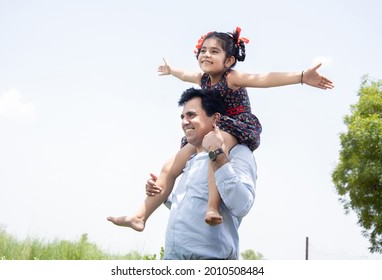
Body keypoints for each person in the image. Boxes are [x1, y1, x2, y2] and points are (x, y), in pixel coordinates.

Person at [107, 27, 334, 230]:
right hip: (214, 125)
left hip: (237, 126)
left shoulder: (232, 77)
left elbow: (264, 79)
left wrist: (302, 76)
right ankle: (140, 216)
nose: (206, 54)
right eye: (203, 50)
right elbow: (184, 74)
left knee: (216, 143)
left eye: (214, 51)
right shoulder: (202, 78)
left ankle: (212, 207)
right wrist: (171, 70)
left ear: (228, 61)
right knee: (172, 164)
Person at [156, 87, 257, 259]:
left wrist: (217, 155)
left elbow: (242, 205)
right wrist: (163, 195)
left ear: (215, 119)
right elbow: (193, 204)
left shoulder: (238, 153)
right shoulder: (190, 157)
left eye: (191, 115)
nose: (184, 122)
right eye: (182, 117)